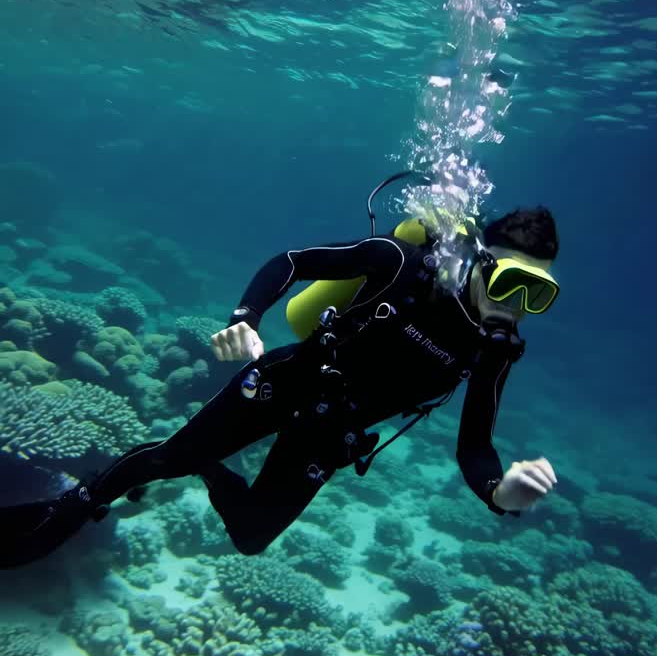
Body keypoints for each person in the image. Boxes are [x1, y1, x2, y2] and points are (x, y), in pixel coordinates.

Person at [0, 195, 559, 569]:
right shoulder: (401, 264)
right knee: (164, 459)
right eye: (512, 283)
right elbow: (290, 262)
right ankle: (69, 509)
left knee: (249, 538)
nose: (517, 308)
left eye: (539, 294)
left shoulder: (492, 352)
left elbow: (476, 445)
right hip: (287, 381)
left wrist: (497, 494)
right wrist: (245, 319)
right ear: (482, 263)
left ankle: (217, 466)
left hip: (332, 434)